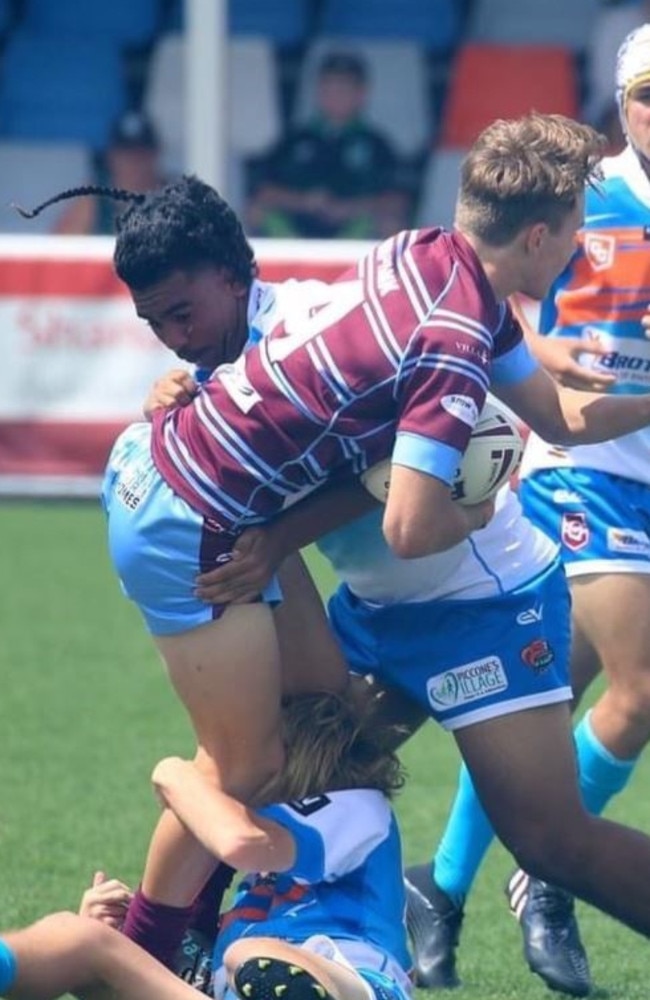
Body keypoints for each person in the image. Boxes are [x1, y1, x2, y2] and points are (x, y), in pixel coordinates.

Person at [19, 110, 650, 989]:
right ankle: (162, 950)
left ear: (239, 284)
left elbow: (549, 424)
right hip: (379, 605)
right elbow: (349, 456)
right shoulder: (380, 305)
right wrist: (199, 422)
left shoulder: (384, 298)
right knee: (249, 770)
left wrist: (455, 507)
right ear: (540, 233)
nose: (176, 335)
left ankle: (147, 948)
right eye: (157, 321)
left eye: (182, 315)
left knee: (549, 839)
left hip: (482, 607)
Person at [393, 23, 650, 999]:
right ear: (620, 103)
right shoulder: (582, 198)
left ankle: (439, 886)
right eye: (644, 94)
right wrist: (548, 366)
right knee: (636, 687)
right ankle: (547, 876)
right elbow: (504, 309)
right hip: (575, 461)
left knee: (536, 705)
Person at [0, 691, 412, 1000]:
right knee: (80, 937)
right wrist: (116, 939)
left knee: (253, 956)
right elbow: (173, 960)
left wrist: (174, 774)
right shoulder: (254, 896)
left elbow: (239, 842)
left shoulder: (358, 808)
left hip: (358, 981)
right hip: (233, 985)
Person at [245, 52, 408, 240]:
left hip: (354, 235)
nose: (334, 95)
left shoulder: (378, 145)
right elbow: (264, 191)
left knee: (391, 223)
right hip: (294, 233)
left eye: (343, 88)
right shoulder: (293, 140)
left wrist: (348, 208)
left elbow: (397, 201)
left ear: (361, 93)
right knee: (256, 212)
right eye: (328, 87)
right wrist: (305, 202)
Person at [53, 110, 168, 236]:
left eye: (141, 154)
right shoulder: (95, 198)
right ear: (111, 157)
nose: (134, 163)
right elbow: (59, 245)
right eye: (126, 155)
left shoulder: (172, 196)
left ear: (156, 154)